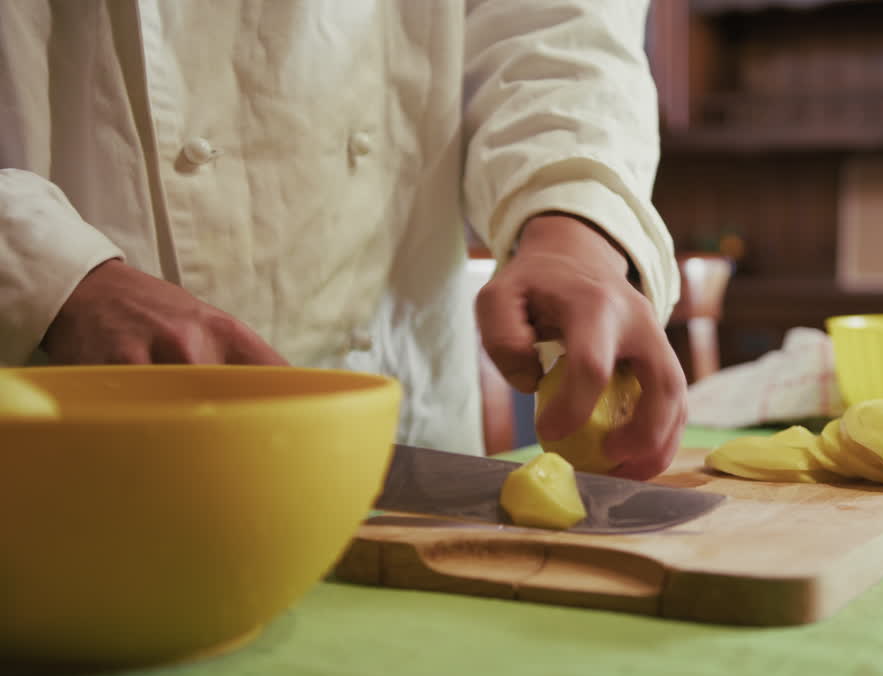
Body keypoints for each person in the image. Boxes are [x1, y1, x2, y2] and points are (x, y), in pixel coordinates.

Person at [0, 0, 687, 480]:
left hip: (401, 435)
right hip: (53, 453)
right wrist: (48, 270)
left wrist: (574, 228)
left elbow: (557, 26)